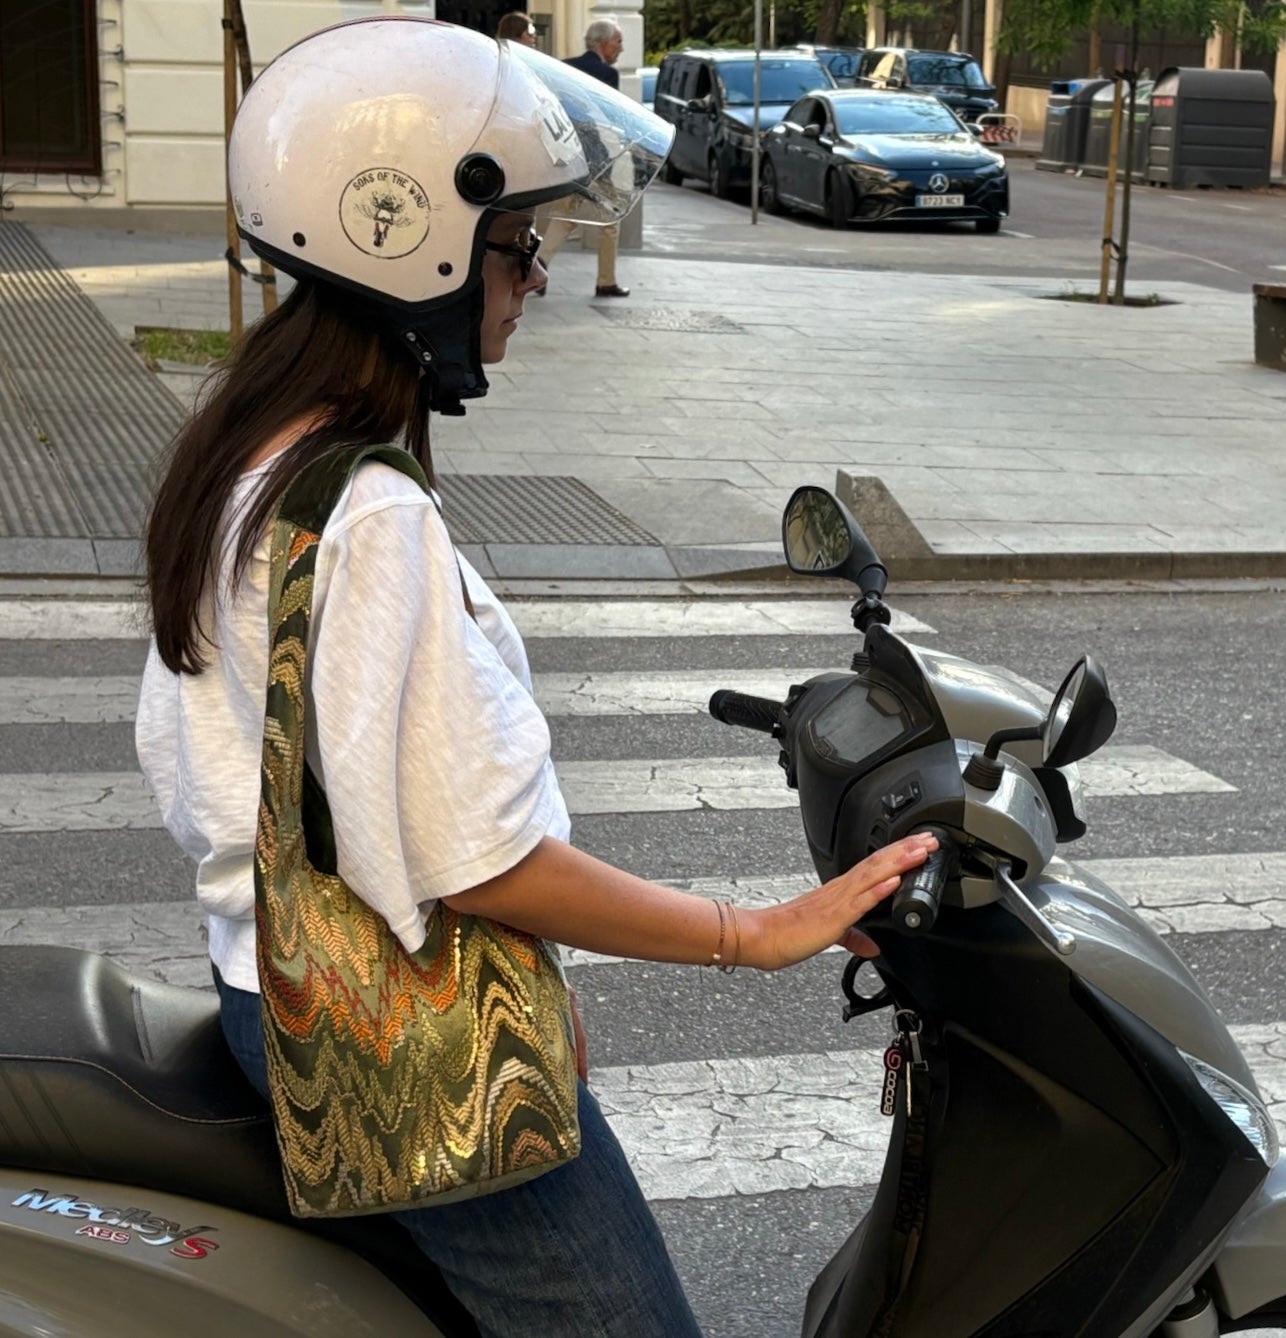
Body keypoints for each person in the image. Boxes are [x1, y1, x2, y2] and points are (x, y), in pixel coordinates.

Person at [136, 18, 934, 1336]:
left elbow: (206, 774)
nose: (536, 279)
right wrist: (752, 933)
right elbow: (479, 862)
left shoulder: (252, 455)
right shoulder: (369, 512)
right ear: (414, 247)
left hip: (281, 993)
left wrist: (525, 993)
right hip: (401, 1039)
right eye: (517, 246)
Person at [537, 18, 630, 298]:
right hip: (597, 159)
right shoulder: (607, 74)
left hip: (569, 153)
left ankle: (537, 268)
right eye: (618, 41)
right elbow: (608, 119)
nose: (621, 48)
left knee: (565, 215)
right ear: (602, 43)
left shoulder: (564, 67)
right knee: (611, 217)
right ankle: (606, 280)